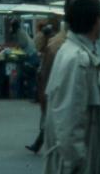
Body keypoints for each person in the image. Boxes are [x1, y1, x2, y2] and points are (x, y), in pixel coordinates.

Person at [43, 0, 100, 174]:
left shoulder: (71, 52)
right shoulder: (77, 59)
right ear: (96, 21)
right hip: (87, 162)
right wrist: (74, 164)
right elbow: (69, 122)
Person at [26, 23, 62, 154]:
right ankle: (38, 143)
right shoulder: (51, 48)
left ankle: (40, 144)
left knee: (48, 119)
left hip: (48, 89)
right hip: (47, 89)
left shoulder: (51, 49)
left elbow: (47, 73)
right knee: (47, 119)